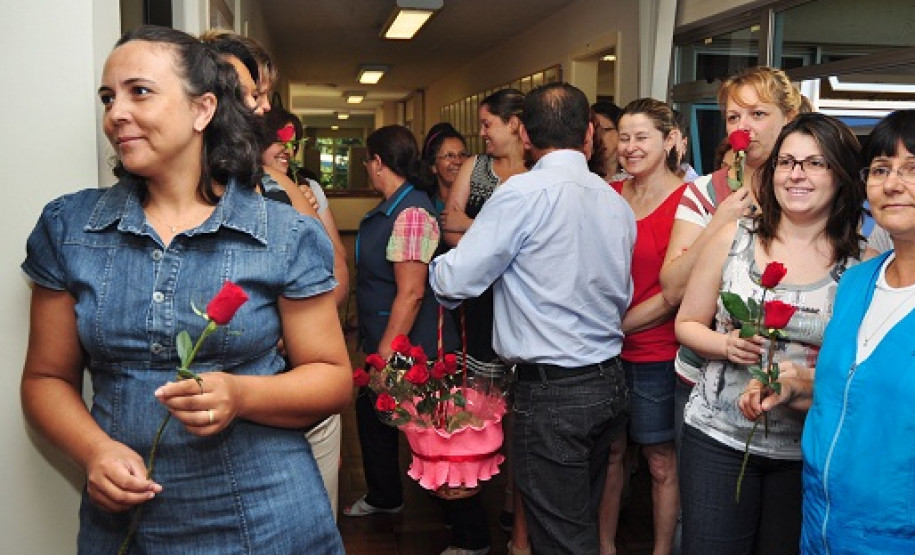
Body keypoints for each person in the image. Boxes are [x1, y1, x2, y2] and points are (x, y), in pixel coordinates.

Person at [19, 25, 351, 553]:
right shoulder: (70, 227)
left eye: (139, 91)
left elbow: (333, 379)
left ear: (203, 111)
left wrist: (242, 394)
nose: (115, 114)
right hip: (127, 524)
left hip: (266, 517)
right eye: (108, 98)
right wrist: (93, 452)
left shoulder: (284, 233)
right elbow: (44, 377)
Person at [430, 82, 636, 555]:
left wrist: (442, 257)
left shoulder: (522, 194)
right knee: (575, 518)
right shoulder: (613, 201)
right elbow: (619, 294)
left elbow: (453, 282)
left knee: (561, 539)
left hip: (553, 393)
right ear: (588, 133)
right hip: (609, 382)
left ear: (524, 134)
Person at [674, 112, 866, 555]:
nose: (796, 174)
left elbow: (857, 373)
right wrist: (726, 344)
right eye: (787, 162)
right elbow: (687, 323)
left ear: (840, 175)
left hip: (806, 451)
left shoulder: (863, 265)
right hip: (718, 437)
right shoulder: (732, 238)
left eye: (815, 163)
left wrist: (796, 383)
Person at [749, 109, 915, 553]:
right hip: (822, 523)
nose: (894, 183)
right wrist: (793, 385)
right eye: (881, 169)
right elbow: (848, 388)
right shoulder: (859, 281)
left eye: (912, 169)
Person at [660, 66, 803, 445]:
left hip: (789, 383)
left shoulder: (808, 193)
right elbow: (672, 289)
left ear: (789, 119)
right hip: (702, 375)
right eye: (734, 117)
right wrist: (718, 223)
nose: (745, 126)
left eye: (759, 114)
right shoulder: (704, 192)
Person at [345, 126, 470, 549]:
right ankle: (385, 495)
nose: (367, 168)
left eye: (368, 161)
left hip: (412, 348)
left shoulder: (412, 212)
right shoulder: (390, 208)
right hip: (389, 339)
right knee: (374, 415)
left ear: (379, 163)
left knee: (437, 436)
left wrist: (384, 356)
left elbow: (412, 292)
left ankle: (471, 534)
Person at [601, 98, 686, 555]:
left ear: (670, 140)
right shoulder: (609, 195)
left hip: (656, 351)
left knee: (658, 462)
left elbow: (674, 294)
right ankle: (604, 546)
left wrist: (612, 327)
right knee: (611, 456)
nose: (630, 147)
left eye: (642, 137)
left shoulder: (687, 203)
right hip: (605, 353)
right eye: (624, 137)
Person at [259, 106, 348, 519]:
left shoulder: (305, 188)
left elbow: (337, 270)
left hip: (302, 376)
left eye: (292, 142)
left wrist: (301, 325)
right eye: (278, 140)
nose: (287, 149)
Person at [419, 122, 470, 216]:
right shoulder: (423, 208)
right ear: (433, 166)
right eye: (449, 156)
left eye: (462, 155)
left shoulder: (480, 203)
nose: (458, 161)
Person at [591, 101, 626, 181]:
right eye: (595, 131)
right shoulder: (586, 176)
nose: (599, 136)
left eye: (606, 130)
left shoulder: (633, 175)